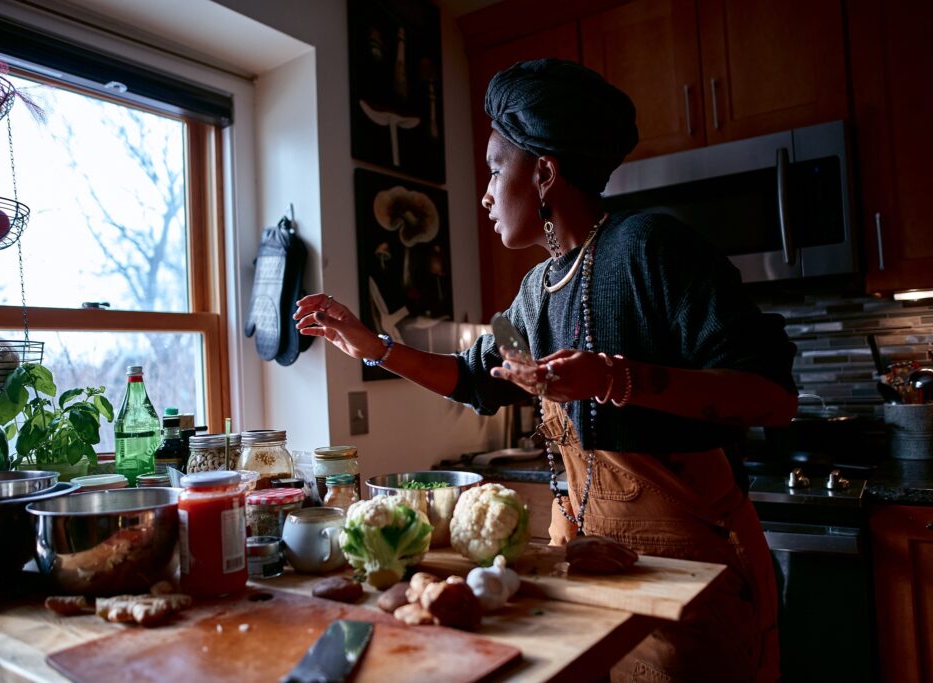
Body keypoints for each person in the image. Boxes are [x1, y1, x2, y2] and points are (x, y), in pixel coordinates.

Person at [294, 58, 796, 683]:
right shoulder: (533, 294)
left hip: (690, 574)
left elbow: (773, 396)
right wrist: (372, 345)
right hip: (582, 563)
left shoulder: (651, 249)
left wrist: (614, 378)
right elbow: (474, 378)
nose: (484, 192)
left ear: (545, 174)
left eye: (495, 168)